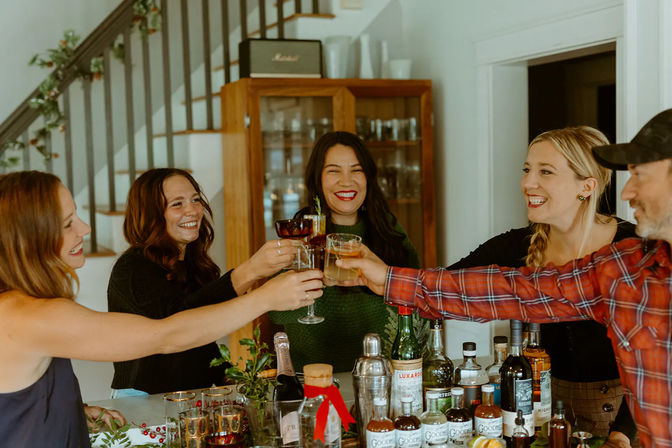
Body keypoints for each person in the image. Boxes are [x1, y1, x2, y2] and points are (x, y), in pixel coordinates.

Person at [339, 108, 672, 448]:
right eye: (528, 170)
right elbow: (519, 293)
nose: (627, 192)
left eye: (641, 176)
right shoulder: (627, 269)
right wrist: (389, 279)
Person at [0, 171, 322, 448]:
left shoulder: (18, 308)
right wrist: (265, 296)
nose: (84, 229)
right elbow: (167, 335)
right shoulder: (30, 315)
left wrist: (72, 408)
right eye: (69, 222)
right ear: (30, 238)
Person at [447, 126, 637, 443]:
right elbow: (441, 286)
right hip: (541, 413)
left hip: (624, 419)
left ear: (586, 187)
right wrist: (374, 273)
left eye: (545, 171)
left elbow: (658, 355)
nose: (527, 183)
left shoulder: (632, 247)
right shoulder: (515, 247)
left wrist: (623, 433)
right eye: (527, 170)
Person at [108, 168, 303, 396]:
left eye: (196, 200)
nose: (192, 210)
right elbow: (180, 327)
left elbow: (202, 339)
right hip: (143, 400)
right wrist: (249, 272)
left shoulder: (191, 264)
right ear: (150, 214)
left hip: (189, 397)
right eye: (177, 204)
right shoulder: (132, 269)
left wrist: (226, 375)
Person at [269, 131, 421, 372]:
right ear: (317, 179)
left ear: (368, 177)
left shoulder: (388, 230)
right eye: (334, 171)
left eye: (356, 170)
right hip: (316, 382)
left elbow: (419, 300)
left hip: (385, 376)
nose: (346, 181)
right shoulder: (303, 231)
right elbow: (277, 314)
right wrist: (320, 282)